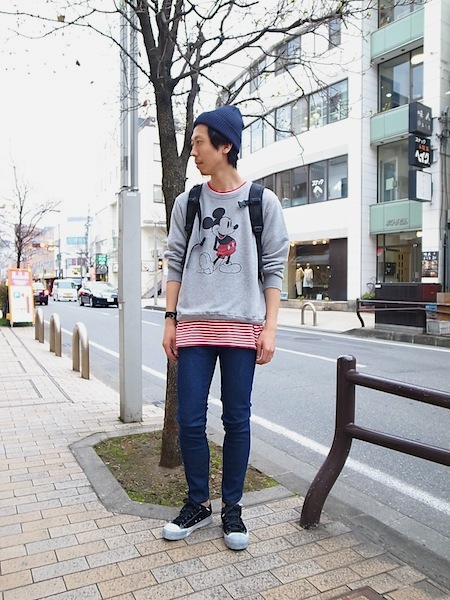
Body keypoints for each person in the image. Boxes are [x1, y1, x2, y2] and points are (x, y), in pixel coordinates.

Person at [161, 104, 289, 551]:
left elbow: (274, 269)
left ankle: (232, 508)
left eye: (199, 142)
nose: (193, 151)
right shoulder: (189, 203)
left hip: (241, 329)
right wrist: (170, 319)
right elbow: (174, 262)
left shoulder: (262, 202)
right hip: (194, 327)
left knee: (237, 419)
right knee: (189, 419)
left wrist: (270, 328)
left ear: (225, 146)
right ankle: (198, 502)